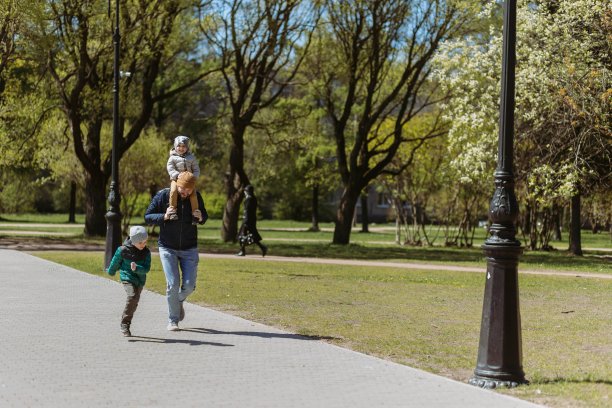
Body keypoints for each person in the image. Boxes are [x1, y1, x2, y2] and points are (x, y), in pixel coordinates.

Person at [145, 171, 208, 331]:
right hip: (167, 247)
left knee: (189, 286)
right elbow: (148, 216)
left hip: (189, 248)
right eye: (182, 188)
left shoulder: (196, 197)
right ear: (177, 184)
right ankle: (173, 320)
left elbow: (204, 216)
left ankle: (177, 300)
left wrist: (201, 217)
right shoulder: (164, 195)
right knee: (173, 284)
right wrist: (164, 216)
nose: (185, 192)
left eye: (188, 190)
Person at [106, 225, 152, 337]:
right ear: (133, 240)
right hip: (127, 277)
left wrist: (137, 268)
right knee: (132, 296)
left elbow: (146, 268)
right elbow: (115, 261)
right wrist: (111, 271)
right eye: (140, 242)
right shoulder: (122, 250)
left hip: (140, 280)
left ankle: (126, 321)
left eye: (145, 242)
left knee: (134, 301)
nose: (143, 245)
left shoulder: (146, 252)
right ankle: (125, 323)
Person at [167, 135, 201, 224]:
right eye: (179, 146)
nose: (181, 148)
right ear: (175, 146)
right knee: (173, 191)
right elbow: (170, 168)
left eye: (183, 146)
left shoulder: (191, 158)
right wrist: (177, 175)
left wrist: (193, 178)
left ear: (187, 147)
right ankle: (172, 211)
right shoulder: (172, 158)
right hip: (176, 179)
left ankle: (195, 214)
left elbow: (196, 169)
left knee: (193, 194)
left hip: (189, 181)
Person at [236, 185, 268, 257]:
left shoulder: (249, 199)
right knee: (252, 236)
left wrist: (245, 220)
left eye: (245, 191)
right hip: (251, 220)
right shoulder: (253, 199)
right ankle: (262, 248)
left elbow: (247, 211)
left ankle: (242, 251)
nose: (244, 192)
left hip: (247, 220)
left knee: (241, 236)